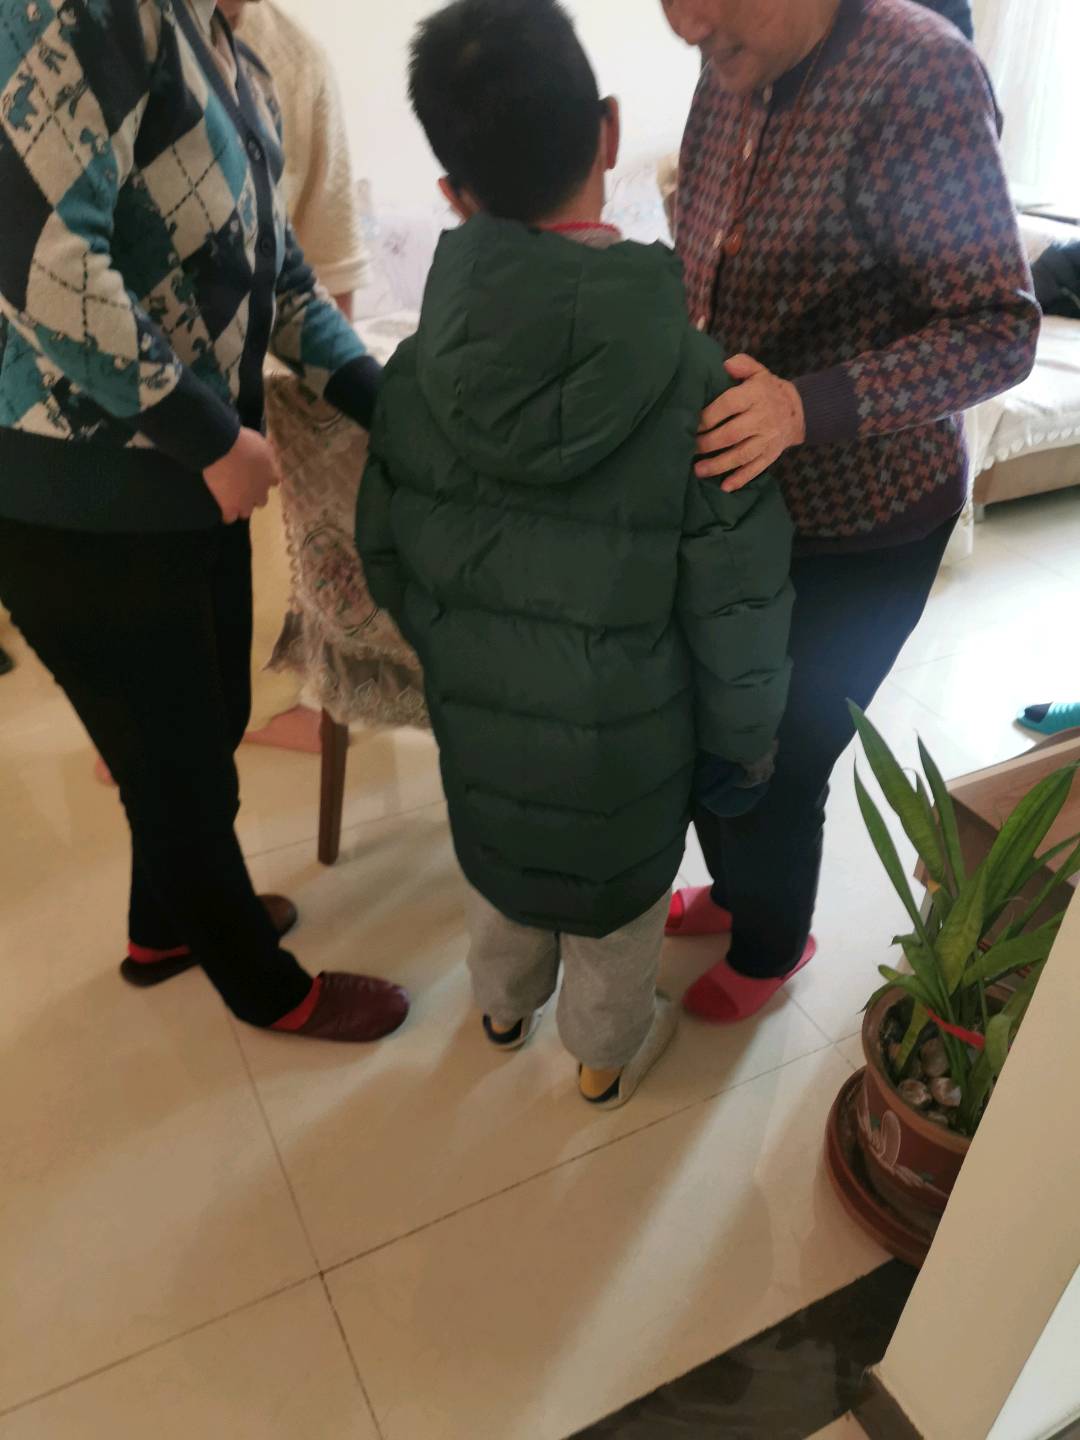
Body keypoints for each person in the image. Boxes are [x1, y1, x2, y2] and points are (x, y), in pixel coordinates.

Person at [357, 0, 794, 1106]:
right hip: (632, 748)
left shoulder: (411, 377)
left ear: (452, 194)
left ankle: (502, 1008)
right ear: (608, 132)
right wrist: (741, 750)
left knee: (501, 870)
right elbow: (738, 604)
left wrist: (463, 653)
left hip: (483, 724)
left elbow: (386, 555)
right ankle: (600, 1057)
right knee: (616, 908)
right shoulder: (700, 380)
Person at [0, 0, 408, 1042]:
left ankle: (163, 927)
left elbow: (281, 279)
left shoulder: (231, 52)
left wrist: (389, 407)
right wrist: (212, 437)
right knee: (175, 762)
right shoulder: (82, 12)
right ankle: (266, 988)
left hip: (180, 480)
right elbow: (45, 260)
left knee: (204, 721)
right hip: (81, 493)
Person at [659, 0, 1039, 1022]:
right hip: (735, 508)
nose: (685, 24)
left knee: (782, 756)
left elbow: (999, 329)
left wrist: (803, 407)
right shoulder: (732, 56)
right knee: (709, 724)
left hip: (867, 517)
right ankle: (738, 893)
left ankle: (773, 943)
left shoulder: (920, 77)